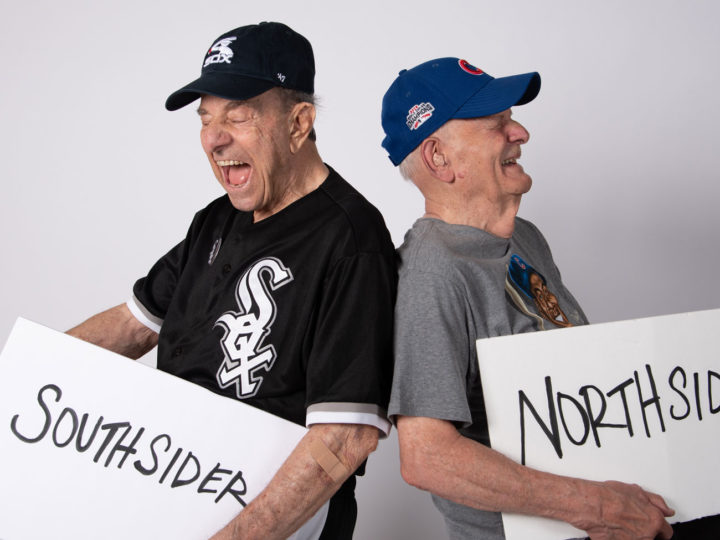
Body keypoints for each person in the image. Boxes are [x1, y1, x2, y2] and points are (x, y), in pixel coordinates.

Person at [68, 22, 396, 540]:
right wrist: (19, 381)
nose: (215, 138)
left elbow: (345, 437)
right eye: (206, 119)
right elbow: (131, 327)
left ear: (298, 124)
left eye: (238, 116)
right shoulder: (214, 220)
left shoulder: (352, 240)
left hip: (272, 519)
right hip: (167, 488)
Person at [380, 57, 677, 539]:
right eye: (497, 123)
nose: (520, 132)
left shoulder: (526, 238)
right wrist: (597, 506)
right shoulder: (432, 271)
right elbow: (427, 456)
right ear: (438, 158)